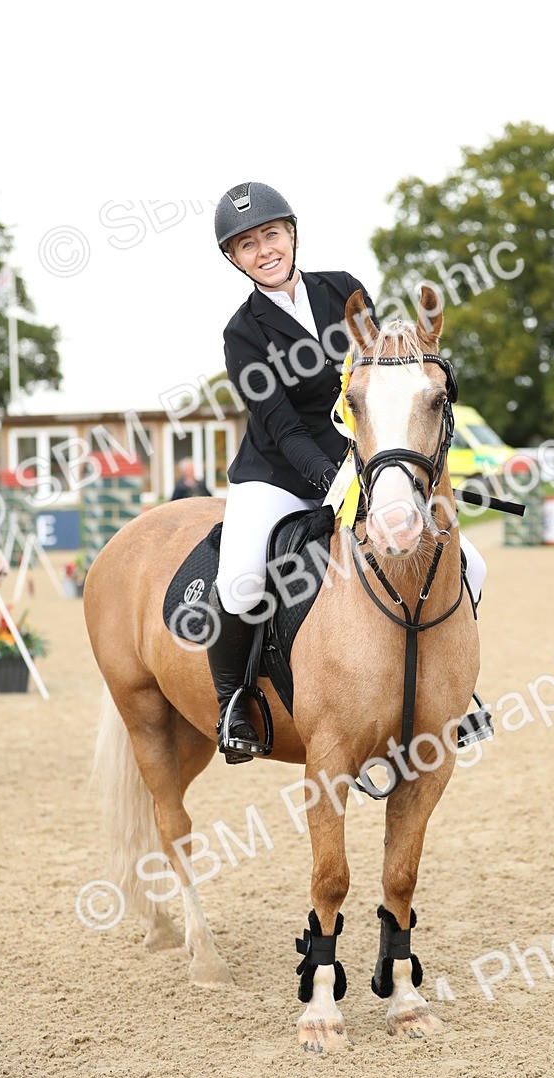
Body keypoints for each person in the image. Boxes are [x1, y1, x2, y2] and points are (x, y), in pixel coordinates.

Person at [208, 181, 489, 764]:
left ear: (292, 235)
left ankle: (450, 692)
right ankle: (234, 700)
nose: (264, 250)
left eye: (271, 235)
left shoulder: (345, 291)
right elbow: (281, 427)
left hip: (366, 458)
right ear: (234, 260)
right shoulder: (243, 333)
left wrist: (385, 459)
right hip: (276, 473)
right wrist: (333, 478)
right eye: (247, 245)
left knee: (473, 565)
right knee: (239, 580)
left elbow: (383, 378)